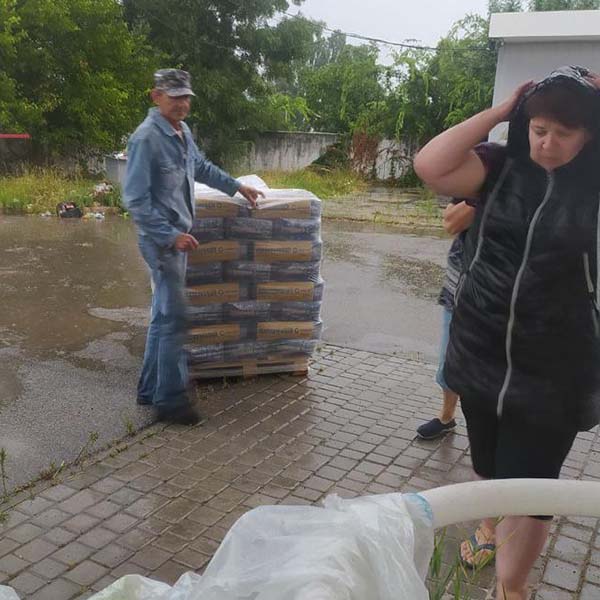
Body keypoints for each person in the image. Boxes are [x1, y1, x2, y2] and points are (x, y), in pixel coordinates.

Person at [414, 66, 600, 600]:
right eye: (539, 128)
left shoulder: (593, 187)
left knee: (532, 490)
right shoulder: (499, 168)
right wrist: (501, 112)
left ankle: (510, 588)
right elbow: (430, 164)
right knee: (490, 469)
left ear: (589, 135)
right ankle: (491, 523)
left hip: (554, 372)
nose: (548, 143)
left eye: (565, 133)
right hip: (481, 354)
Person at [124, 69, 264, 425]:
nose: (183, 104)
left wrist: (236, 186)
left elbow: (199, 166)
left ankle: (149, 389)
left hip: (176, 240)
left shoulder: (181, 132)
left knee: (163, 316)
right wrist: (171, 235)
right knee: (175, 319)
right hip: (162, 243)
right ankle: (170, 402)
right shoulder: (146, 139)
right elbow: (136, 201)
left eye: (186, 97)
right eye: (175, 97)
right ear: (156, 96)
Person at [416, 199, 475, 440]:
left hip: (510, 295)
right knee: (449, 359)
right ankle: (446, 417)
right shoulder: (482, 175)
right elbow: (451, 221)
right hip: (462, 286)